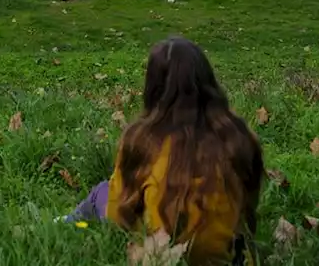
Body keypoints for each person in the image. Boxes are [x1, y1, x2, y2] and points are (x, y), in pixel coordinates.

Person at [67, 37, 263, 265]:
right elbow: (247, 205)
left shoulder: (142, 139)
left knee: (102, 192)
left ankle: (57, 227)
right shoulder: (239, 135)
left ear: (153, 86)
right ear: (207, 80)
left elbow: (118, 213)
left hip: (160, 254)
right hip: (227, 258)